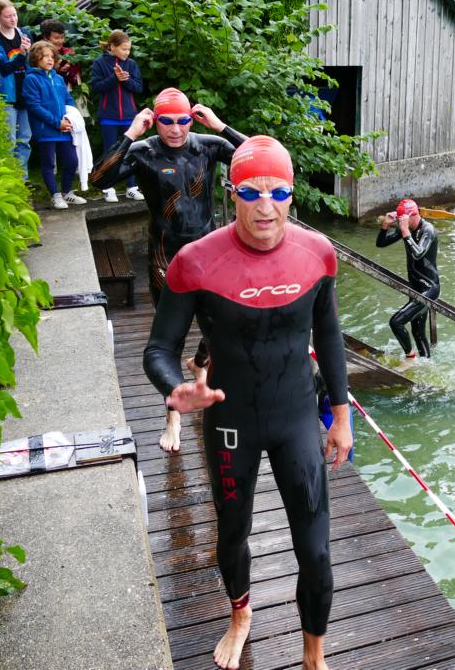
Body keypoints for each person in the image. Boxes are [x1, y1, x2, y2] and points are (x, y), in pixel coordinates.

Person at [143, 135, 351, 670]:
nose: (265, 206)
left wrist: (341, 416)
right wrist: (175, 388)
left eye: (277, 192)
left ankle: (314, 657)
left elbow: (329, 336)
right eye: (251, 192)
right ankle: (240, 615)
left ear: (291, 194)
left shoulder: (318, 254)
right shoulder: (195, 262)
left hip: (297, 416)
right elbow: (159, 349)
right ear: (231, 193)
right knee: (233, 533)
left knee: (317, 551)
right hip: (231, 422)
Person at [90, 87, 247, 453]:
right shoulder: (143, 152)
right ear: (154, 121)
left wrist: (220, 126)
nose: (175, 129)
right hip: (165, 256)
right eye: (166, 121)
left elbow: (264, 158)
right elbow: (98, 179)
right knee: (169, 339)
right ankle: (172, 418)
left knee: (222, 324)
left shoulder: (208, 146)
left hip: (208, 253)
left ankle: (200, 364)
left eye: (182, 120)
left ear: (192, 119)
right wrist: (131, 132)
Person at [375, 199, 440, 362]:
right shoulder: (407, 228)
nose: (400, 222)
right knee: (417, 332)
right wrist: (386, 225)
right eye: (399, 219)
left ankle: (411, 357)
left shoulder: (428, 230)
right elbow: (380, 243)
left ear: (413, 215)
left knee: (396, 322)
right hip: (415, 287)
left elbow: (418, 253)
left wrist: (404, 230)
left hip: (429, 289)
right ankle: (426, 364)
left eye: (402, 219)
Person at [22, 41, 83, 209]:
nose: (50, 59)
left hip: (64, 128)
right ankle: (55, 195)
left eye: (52, 56)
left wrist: (71, 118)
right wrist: (57, 123)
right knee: (48, 163)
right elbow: (34, 106)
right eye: (45, 56)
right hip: (46, 130)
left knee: (72, 161)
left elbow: (68, 100)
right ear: (36, 58)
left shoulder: (58, 78)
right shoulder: (31, 79)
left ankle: (67, 192)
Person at [88, 29, 145, 202]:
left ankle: (131, 187)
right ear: (112, 47)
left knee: (129, 150)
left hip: (129, 116)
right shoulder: (99, 63)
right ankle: (108, 188)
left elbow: (138, 88)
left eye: (129, 49)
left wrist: (125, 80)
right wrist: (115, 78)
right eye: (123, 49)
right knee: (110, 152)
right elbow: (96, 87)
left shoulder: (131, 64)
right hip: (108, 116)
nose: (127, 53)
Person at [0, 0, 33, 179]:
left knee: (25, 139)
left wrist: (29, 54)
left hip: (25, 93)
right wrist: (22, 55)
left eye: (14, 15)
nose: (13, 19)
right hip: (7, 94)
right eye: (8, 16)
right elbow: (4, 68)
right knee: (9, 140)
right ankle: (7, 179)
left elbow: (32, 63)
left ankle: (21, 179)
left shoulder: (23, 34)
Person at [39, 19, 81, 90]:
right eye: (56, 38)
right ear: (46, 38)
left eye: (62, 37)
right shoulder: (38, 55)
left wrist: (70, 68)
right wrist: (56, 70)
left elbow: (77, 81)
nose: (61, 41)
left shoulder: (68, 53)